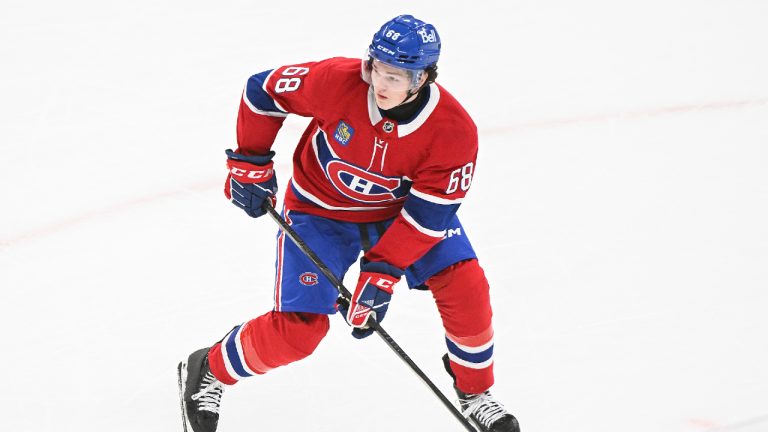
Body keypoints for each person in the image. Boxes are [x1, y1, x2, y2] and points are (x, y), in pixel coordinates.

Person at [177, 14, 520, 432]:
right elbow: (262, 91)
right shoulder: (336, 81)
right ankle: (209, 368)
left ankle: (475, 391)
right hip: (318, 212)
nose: (380, 83)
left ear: (423, 77)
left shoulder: (453, 131)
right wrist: (250, 162)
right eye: (377, 68)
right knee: (297, 333)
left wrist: (380, 274)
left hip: (400, 217)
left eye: (395, 77)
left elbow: (429, 215)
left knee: (465, 284)